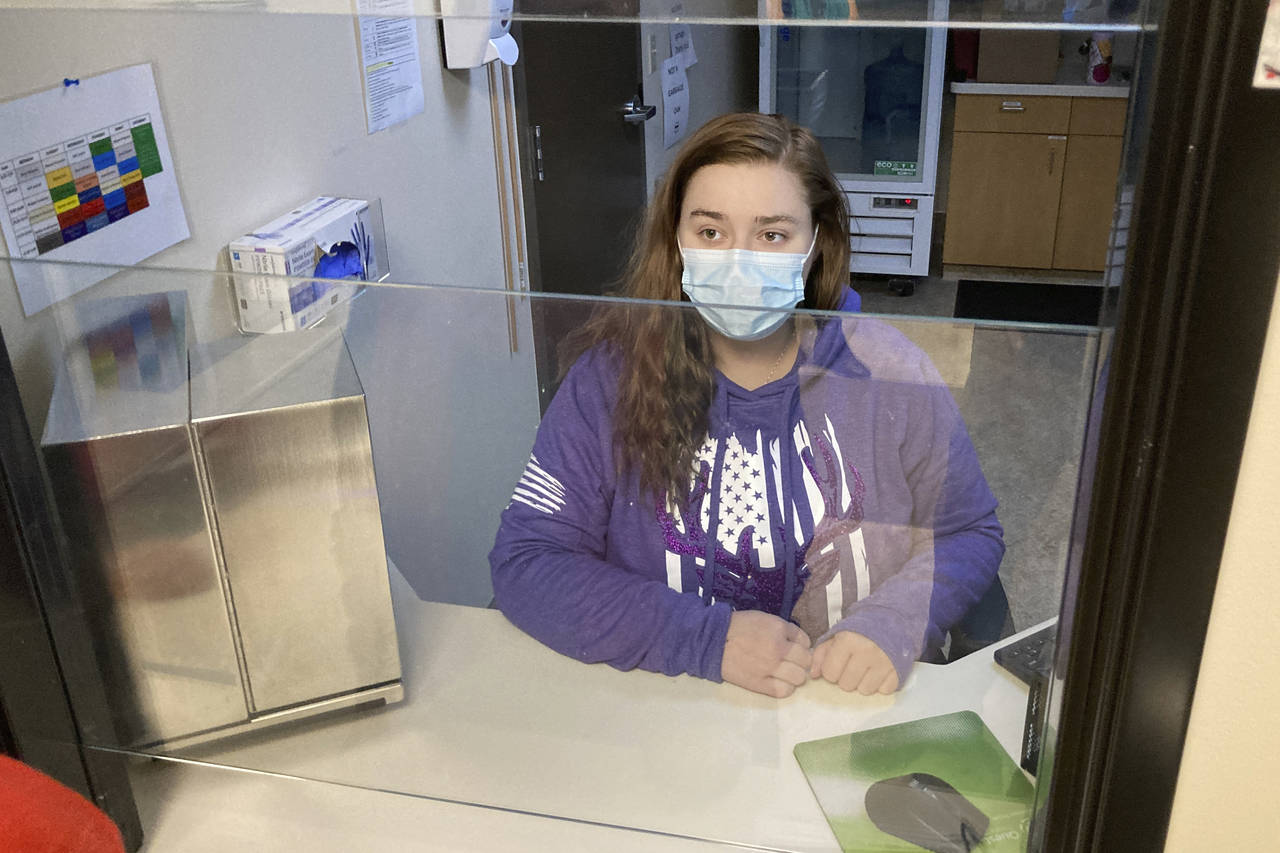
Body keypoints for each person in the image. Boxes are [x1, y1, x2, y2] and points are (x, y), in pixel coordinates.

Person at [489, 113, 1003, 698]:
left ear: (816, 243)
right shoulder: (609, 379)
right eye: (710, 233)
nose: (737, 261)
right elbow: (529, 560)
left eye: (772, 235)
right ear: (675, 240)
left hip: (844, 707)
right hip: (663, 708)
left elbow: (968, 531)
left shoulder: (891, 373)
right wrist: (704, 638)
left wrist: (897, 620)